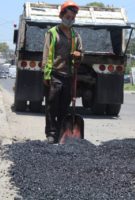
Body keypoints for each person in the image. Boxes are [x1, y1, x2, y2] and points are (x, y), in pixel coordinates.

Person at [42, 1, 83, 144]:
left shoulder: (75, 35)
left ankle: (61, 133)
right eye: (68, 16)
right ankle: (51, 134)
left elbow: (81, 54)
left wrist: (79, 55)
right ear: (61, 16)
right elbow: (47, 54)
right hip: (54, 74)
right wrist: (46, 74)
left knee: (64, 107)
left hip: (68, 76)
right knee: (52, 106)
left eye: (72, 17)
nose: (70, 19)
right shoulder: (52, 33)